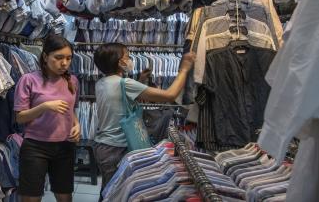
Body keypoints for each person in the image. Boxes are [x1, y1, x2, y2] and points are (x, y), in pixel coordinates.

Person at [93, 43, 196, 200]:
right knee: (116, 194)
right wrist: (184, 69)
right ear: (119, 62)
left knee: (110, 190)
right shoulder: (126, 84)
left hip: (104, 146)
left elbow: (122, 99)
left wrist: (141, 79)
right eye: (127, 56)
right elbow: (170, 94)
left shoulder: (101, 82)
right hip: (118, 148)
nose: (130, 59)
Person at [14, 35, 80, 202]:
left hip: (65, 146)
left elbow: (71, 110)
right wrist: (45, 106)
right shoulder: (29, 80)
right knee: (31, 197)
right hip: (36, 146)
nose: (64, 63)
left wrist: (77, 125)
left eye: (68, 58)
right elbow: (20, 118)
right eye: (58, 58)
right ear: (45, 56)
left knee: (65, 197)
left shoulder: (72, 81)